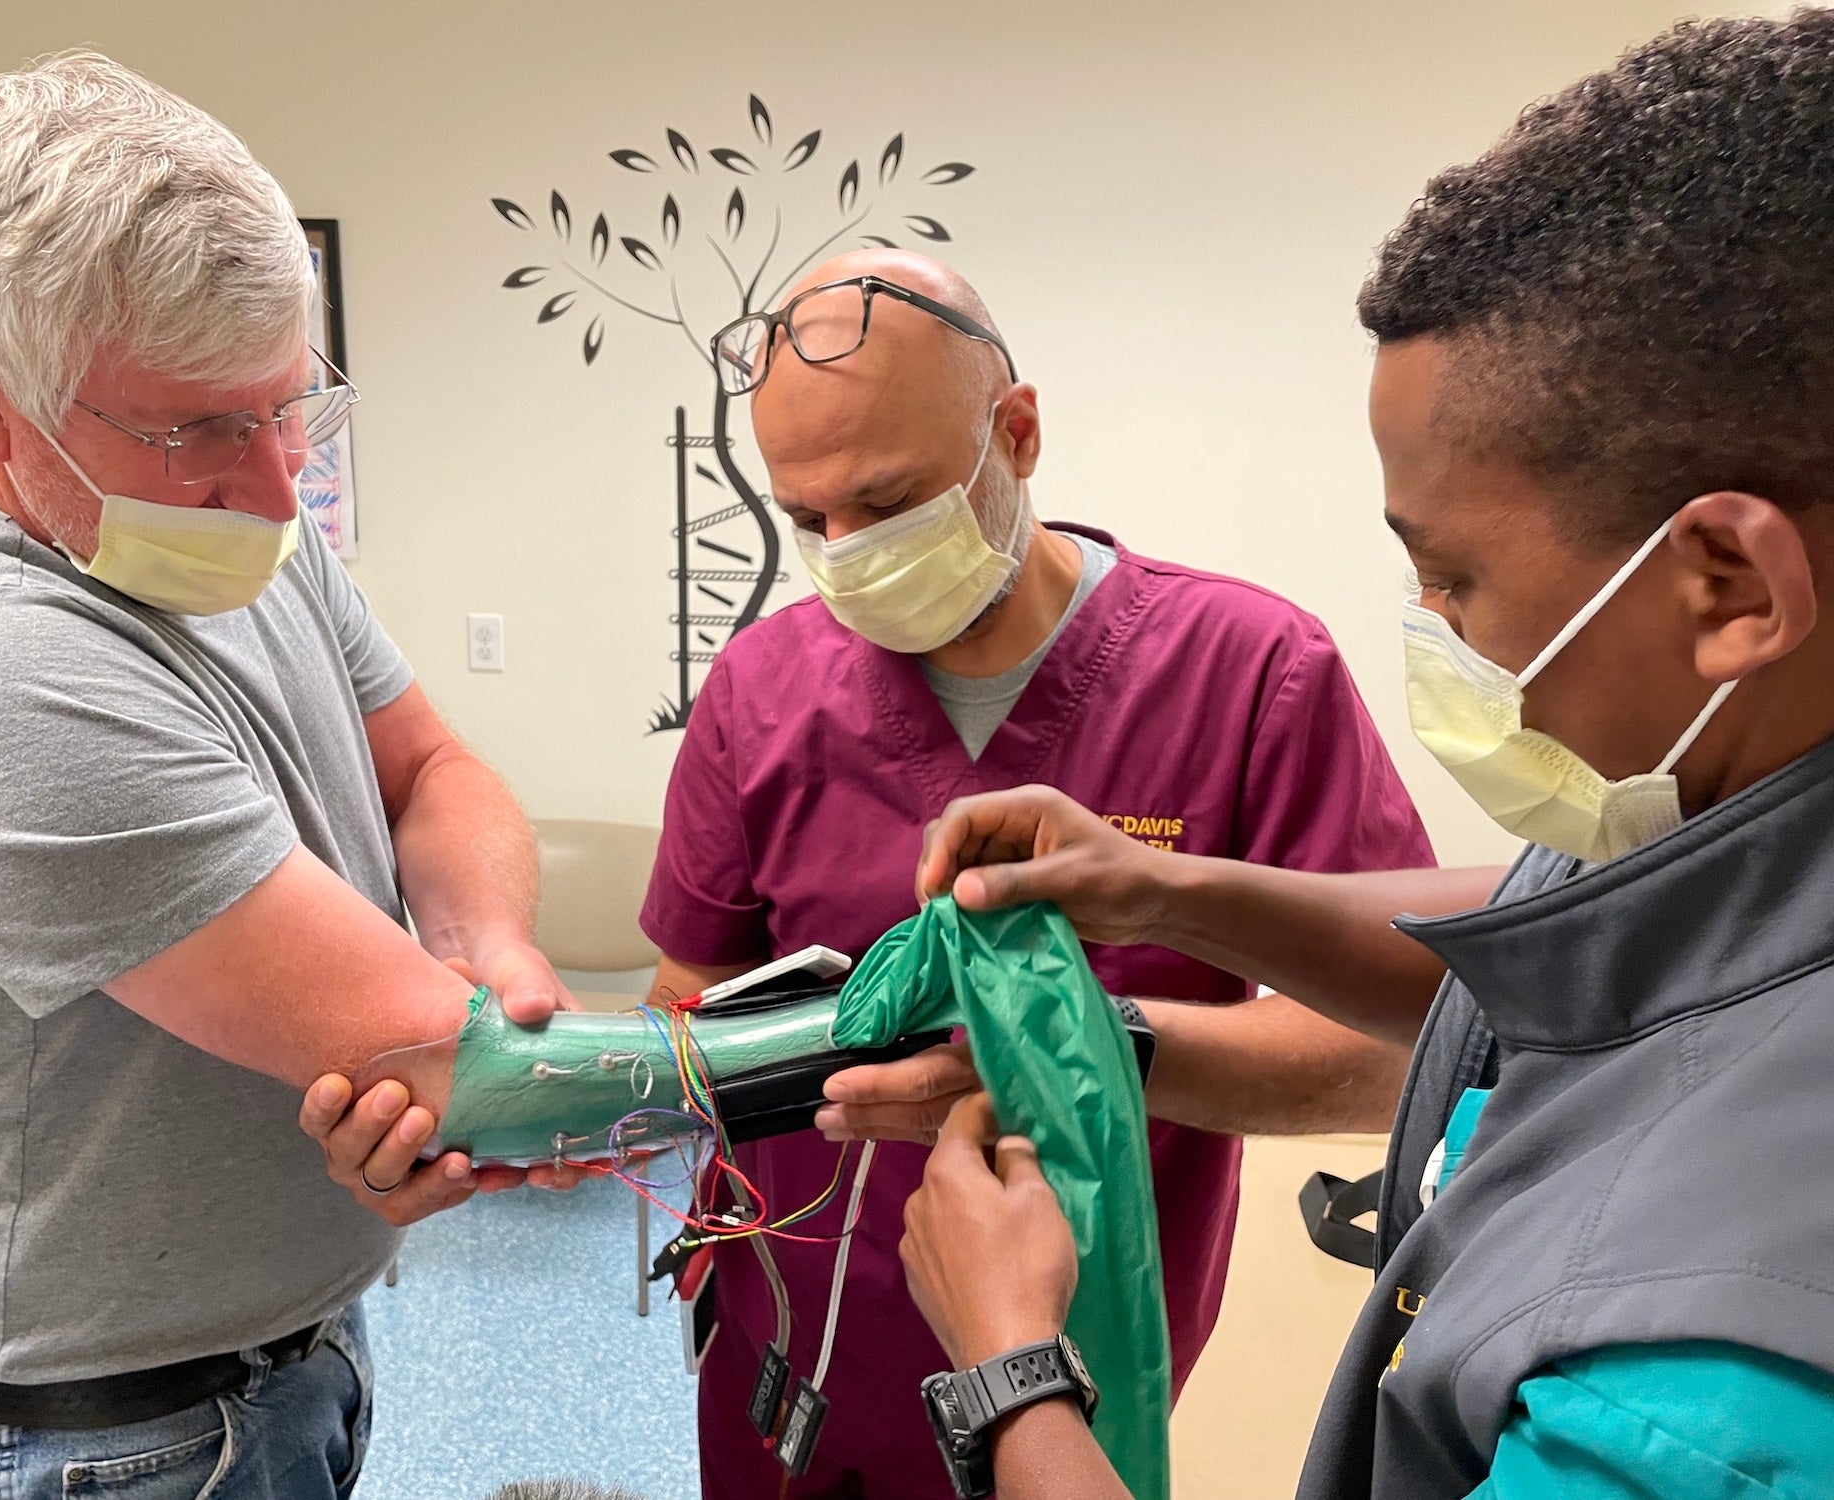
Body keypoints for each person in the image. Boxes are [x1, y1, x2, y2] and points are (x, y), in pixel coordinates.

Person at [901, 12, 1834, 1498]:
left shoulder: (1700, 1407)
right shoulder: (1729, 798)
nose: (1428, 621)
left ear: (1726, 585)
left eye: (1453, 576)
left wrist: (1015, 1374)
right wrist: (1168, 895)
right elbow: (1542, 952)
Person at [0, 53, 569, 1499]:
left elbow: (433, 768)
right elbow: (447, 1065)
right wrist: (474, 1058)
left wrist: (490, 948)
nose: (280, 487)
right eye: (200, 430)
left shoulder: (221, 535)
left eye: (290, 406)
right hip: (107, 1439)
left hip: (280, 1350)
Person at [633, 247, 1434, 1499]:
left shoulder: (1246, 673)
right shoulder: (762, 690)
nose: (843, 552)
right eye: (807, 521)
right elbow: (687, 1008)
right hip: (790, 1340)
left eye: (885, 502)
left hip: (1079, 1355)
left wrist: (1068, 1048)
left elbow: (1397, 1049)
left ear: (1014, 433)